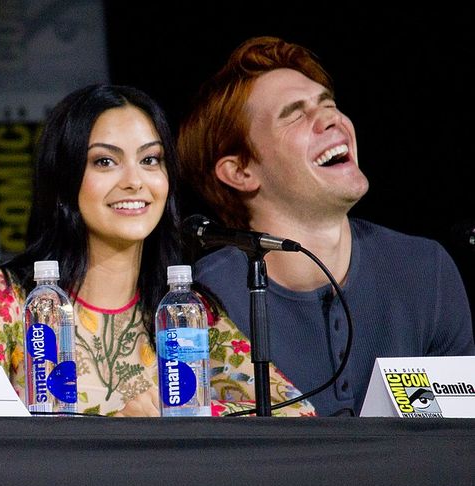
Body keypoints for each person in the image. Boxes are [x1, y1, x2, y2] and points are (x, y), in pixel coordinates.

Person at [0, 83, 313, 417]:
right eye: (105, 161)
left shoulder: (184, 313)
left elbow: (296, 413)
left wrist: (182, 410)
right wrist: (121, 432)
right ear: (64, 178)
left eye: (150, 160)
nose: (135, 181)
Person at [178, 36, 475, 417]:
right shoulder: (203, 304)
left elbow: (456, 437)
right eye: (295, 114)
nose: (333, 119)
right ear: (240, 171)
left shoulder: (424, 269)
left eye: (329, 105)